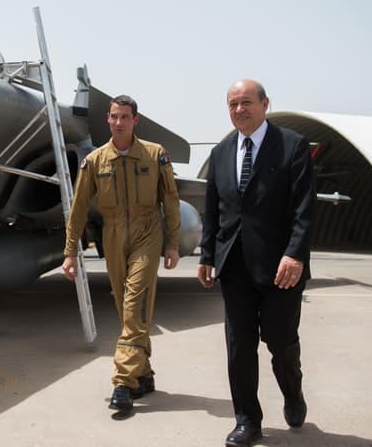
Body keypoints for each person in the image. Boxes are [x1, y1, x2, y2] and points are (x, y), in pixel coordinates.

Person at [197, 79, 316, 447]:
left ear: (265, 104)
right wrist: (206, 255)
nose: (238, 109)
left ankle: (293, 394)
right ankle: (247, 420)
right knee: (239, 346)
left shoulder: (292, 146)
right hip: (233, 266)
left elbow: (304, 207)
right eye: (232, 104)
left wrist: (295, 253)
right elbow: (215, 211)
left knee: (280, 342)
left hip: (281, 267)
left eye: (246, 102)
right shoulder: (221, 153)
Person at [62, 95, 181, 413]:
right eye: (113, 117)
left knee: (134, 305)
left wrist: (172, 243)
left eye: (124, 117)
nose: (118, 122)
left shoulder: (155, 155)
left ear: (135, 120)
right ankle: (143, 375)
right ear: (108, 119)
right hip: (113, 235)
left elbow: (169, 200)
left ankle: (123, 383)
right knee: (125, 307)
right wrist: (70, 251)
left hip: (147, 232)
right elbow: (77, 209)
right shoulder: (96, 160)